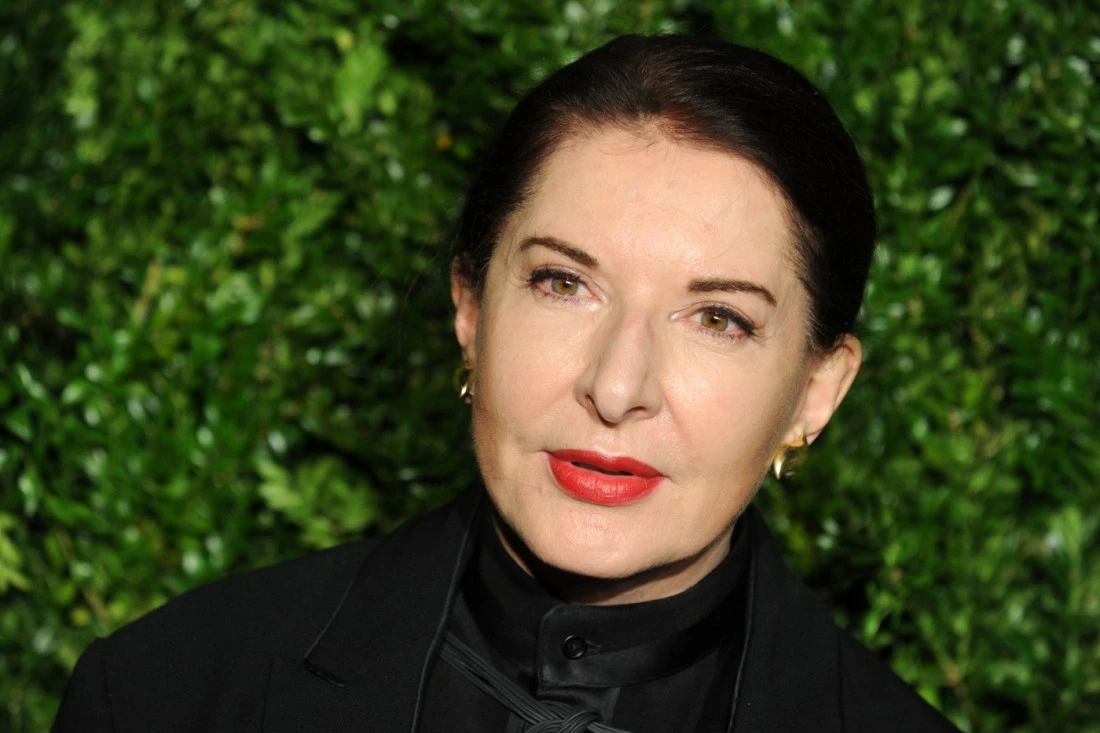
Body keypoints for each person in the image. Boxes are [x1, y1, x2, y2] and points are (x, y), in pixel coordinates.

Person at [53, 34, 959, 732]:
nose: (617, 386)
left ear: (815, 391)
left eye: (718, 318)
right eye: (564, 283)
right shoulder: (166, 693)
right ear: (471, 310)